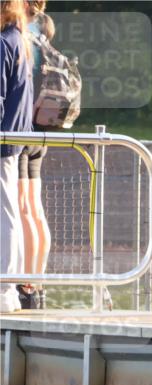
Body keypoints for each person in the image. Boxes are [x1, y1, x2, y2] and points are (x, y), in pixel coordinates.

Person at [16, 0, 50, 309]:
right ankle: (37, 284)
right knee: (35, 210)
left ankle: (25, 285)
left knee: (22, 210)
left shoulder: (20, 33)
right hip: (41, 131)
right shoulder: (44, 28)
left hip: (20, 130)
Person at [1, 0, 33, 314]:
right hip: (13, 139)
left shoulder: (4, 42)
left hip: (4, 140)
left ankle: (5, 290)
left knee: (6, 215)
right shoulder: (18, 39)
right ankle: (10, 289)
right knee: (9, 213)